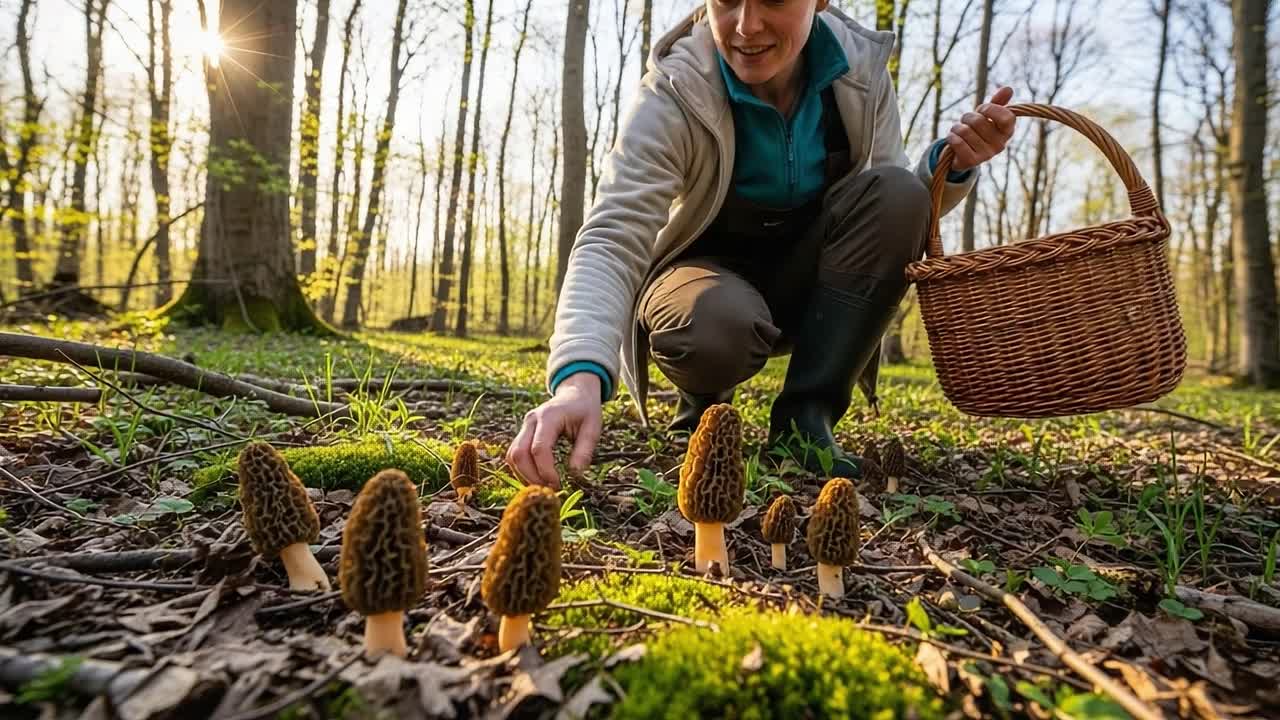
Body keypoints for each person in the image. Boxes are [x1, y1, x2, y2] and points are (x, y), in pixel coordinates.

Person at [508, 0, 1016, 488]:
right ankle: (702, 403)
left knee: (901, 191)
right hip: (704, 285)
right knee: (714, 327)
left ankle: (806, 418)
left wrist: (950, 168)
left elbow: (888, 206)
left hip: (809, 279)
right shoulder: (675, 87)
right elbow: (614, 233)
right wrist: (578, 379)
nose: (746, 25)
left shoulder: (860, 71)